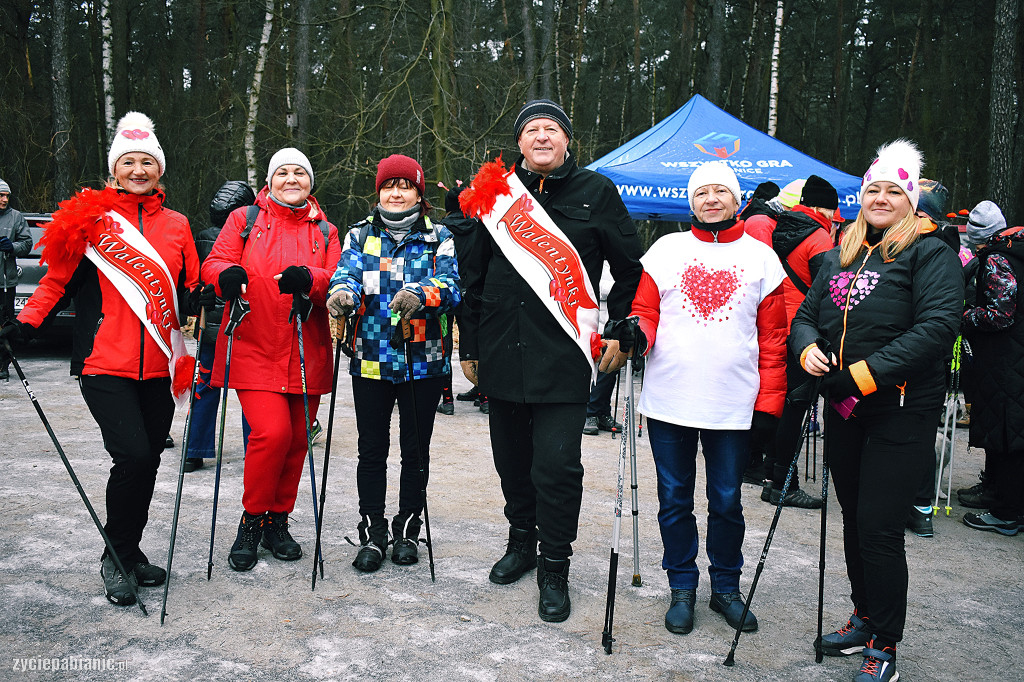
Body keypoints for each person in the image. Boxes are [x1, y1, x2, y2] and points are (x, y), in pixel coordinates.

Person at [0, 112, 203, 605]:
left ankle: (129, 552)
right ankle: (115, 557)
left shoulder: (177, 225)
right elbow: (54, 283)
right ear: (114, 171)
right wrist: (23, 328)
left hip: (158, 365)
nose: (138, 169)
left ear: (160, 171)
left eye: (147, 162)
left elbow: (193, 287)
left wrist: (221, 291)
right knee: (131, 455)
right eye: (128, 162)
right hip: (102, 365)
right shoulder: (88, 221)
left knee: (148, 460)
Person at [457, 99, 643, 622]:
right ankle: (521, 542)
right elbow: (471, 277)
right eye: (532, 130)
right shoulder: (493, 196)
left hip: (563, 356)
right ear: (518, 143)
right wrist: (469, 345)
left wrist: (619, 331)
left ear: (567, 141)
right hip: (500, 348)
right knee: (511, 462)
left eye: (552, 129)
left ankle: (554, 565)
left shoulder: (597, 192)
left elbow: (630, 270)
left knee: (557, 466)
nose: (542, 137)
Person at [789, 139, 962, 682]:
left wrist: (863, 375)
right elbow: (807, 313)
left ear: (911, 198)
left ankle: (886, 642)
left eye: (894, 190)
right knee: (853, 521)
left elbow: (937, 328)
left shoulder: (931, 252)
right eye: (873, 189)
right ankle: (864, 617)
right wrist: (806, 345)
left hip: (899, 410)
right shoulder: (844, 249)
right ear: (861, 196)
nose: (881, 197)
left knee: (879, 527)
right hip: (844, 407)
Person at [614, 160, 787, 636]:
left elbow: (774, 339)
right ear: (691, 203)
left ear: (737, 200)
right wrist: (636, 334)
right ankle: (682, 586)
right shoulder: (667, 249)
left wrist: (770, 404)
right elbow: (646, 311)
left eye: (720, 192)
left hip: (731, 401)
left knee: (727, 500)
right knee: (673, 498)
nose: (711, 200)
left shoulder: (761, 258)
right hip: (671, 398)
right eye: (701, 193)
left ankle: (726, 588)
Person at [202, 148, 341, 572]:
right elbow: (215, 262)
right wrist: (224, 276)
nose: (291, 179)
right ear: (270, 180)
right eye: (283, 172)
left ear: (310, 182)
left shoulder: (326, 230)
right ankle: (251, 521)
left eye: (300, 172)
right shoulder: (244, 219)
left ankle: (278, 522)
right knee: (272, 434)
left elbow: (337, 278)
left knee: (299, 440)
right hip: (254, 345)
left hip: (305, 347)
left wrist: (312, 279)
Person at [327, 154, 460, 572]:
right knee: (372, 451)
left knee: (414, 452)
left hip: (424, 360)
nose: (397, 192)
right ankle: (373, 531)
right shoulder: (359, 235)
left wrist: (424, 293)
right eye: (389, 186)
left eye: (406, 186)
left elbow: (453, 285)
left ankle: (408, 528)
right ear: (379, 191)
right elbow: (344, 274)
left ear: (419, 193)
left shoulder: (439, 236)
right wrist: (342, 294)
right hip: (371, 358)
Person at [751, 175, 840, 510]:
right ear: (821, 208)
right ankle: (785, 484)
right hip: (803, 334)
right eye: (832, 210)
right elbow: (829, 294)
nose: (834, 217)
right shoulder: (818, 237)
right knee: (796, 408)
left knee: (781, 405)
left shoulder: (778, 227)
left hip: (772, 326)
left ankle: (773, 478)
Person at [960, 200, 1024, 536]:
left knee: (1007, 435)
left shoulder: (998, 259)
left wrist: (965, 316)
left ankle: (1007, 512)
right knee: (1013, 432)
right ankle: (1002, 497)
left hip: (1005, 359)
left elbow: (1000, 314)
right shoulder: (1017, 250)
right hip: (1016, 357)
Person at [183, 180, 256, 472]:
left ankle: (194, 450)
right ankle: (255, 449)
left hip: (211, 328)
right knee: (252, 390)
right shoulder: (251, 237)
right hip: (242, 323)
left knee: (205, 386)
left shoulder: (202, 236)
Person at [0, 178, 34, 381]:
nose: (4, 200)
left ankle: (3, 365)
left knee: (5, 326)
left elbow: (27, 243)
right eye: (1, 196)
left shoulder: (15, 217)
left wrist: (12, 247)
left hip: (6, 283)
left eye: (6, 196)